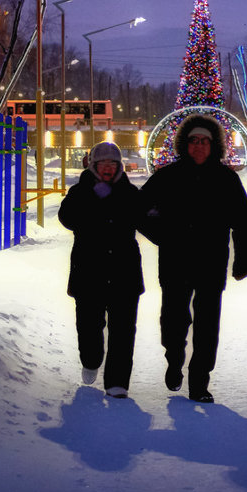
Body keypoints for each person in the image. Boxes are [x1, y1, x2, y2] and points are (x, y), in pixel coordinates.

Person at [140, 115, 247, 404]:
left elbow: (243, 222)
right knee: (173, 321)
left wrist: (244, 260)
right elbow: (138, 211)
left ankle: (199, 382)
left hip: (212, 263)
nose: (199, 146)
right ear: (185, 144)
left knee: (207, 325)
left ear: (213, 144)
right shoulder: (167, 176)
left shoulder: (227, 180)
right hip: (175, 262)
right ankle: (174, 359)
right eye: (194, 140)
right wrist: (162, 235)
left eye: (205, 141)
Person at [58, 141, 150, 399]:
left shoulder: (130, 193)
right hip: (89, 272)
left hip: (125, 273)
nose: (108, 168)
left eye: (113, 163)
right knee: (89, 326)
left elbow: (147, 221)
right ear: (94, 166)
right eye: (103, 164)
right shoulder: (80, 191)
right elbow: (67, 218)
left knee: (123, 330)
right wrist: (90, 195)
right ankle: (91, 360)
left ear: (119, 166)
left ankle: (117, 382)